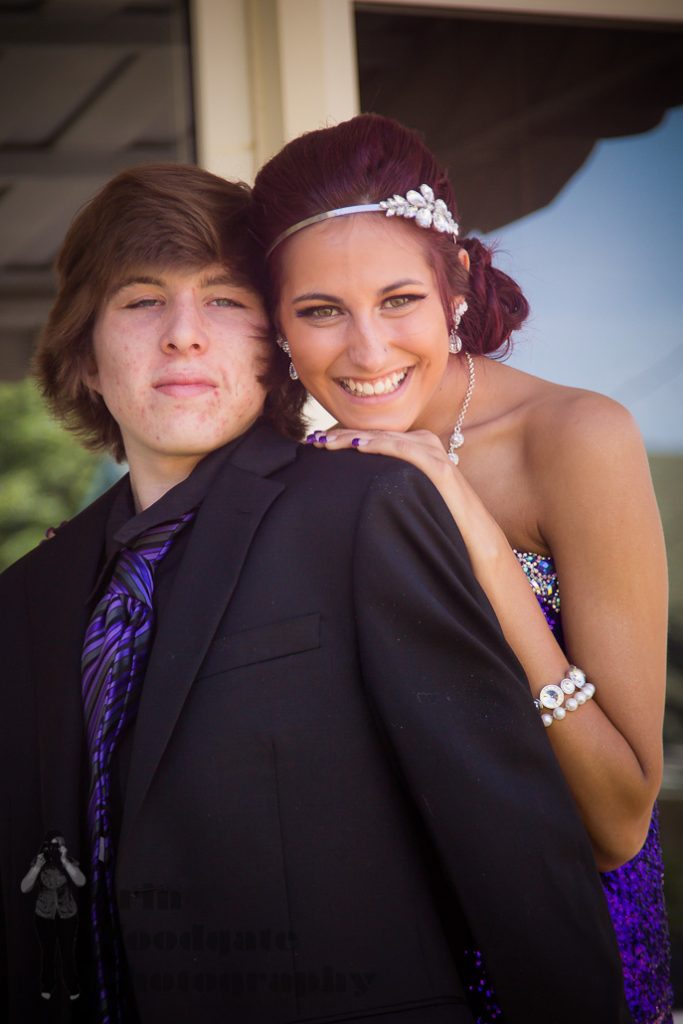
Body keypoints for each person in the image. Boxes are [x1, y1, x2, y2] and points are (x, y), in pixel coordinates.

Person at [0, 163, 630, 1024]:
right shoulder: (28, 595)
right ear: (85, 354)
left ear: (277, 350)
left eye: (224, 300)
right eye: (142, 300)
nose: (183, 335)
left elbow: (519, 860)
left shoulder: (366, 510)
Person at [249, 112, 672, 1024]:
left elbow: (617, 822)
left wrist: (475, 537)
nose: (368, 351)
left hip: (561, 962)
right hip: (386, 969)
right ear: (277, 323)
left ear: (458, 287)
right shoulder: (305, 473)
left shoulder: (574, 439)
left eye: (398, 299)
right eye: (320, 311)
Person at [20, 831, 86, 1002]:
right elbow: (24, 888)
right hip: (44, 915)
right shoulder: (39, 862)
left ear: (63, 846)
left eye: (59, 844)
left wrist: (65, 861)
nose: (55, 848)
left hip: (68, 915)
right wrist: (37, 867)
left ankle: (72, 986)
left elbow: (81, 881)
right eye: (52, 844)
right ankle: (47, 985)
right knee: (48, 953)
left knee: (67, 953)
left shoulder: (69, 861)